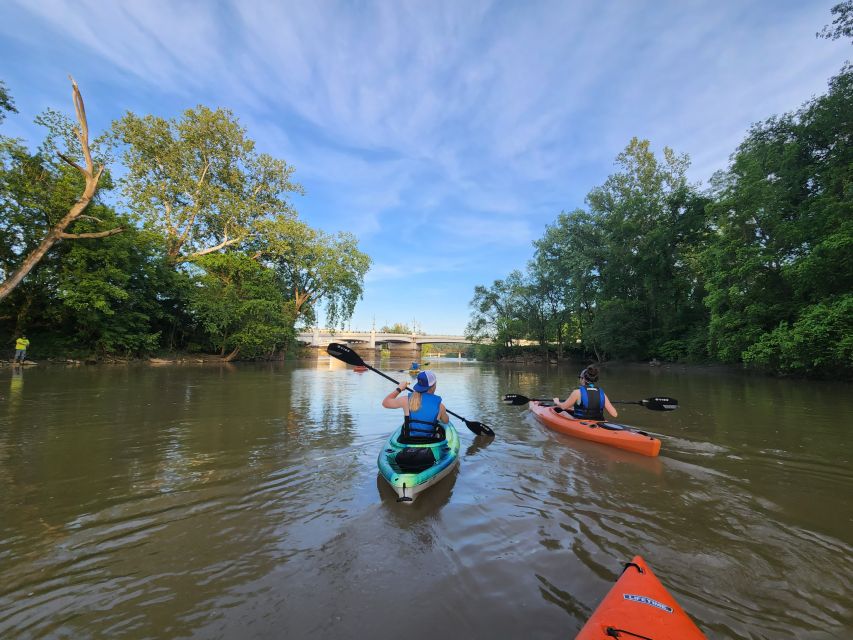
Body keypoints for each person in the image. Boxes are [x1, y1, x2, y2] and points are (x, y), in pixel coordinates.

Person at [382, 370, 449, 440]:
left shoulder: (406, 400)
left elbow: (385, 403)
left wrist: (399, 388)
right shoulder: (440, 406)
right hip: (429, 442)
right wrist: (441, 414)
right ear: (433, 386)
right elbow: (446, 421)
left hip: (408, 441)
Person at [553, 365, 617, 420]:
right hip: (598, 421)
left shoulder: (577, 392)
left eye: (580, 377)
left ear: (583, 379)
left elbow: (563, 407)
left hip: (581, 422)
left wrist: (557, 402)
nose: (579, 379)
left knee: (563, 412)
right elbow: (614, 414)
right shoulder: (601, 393)